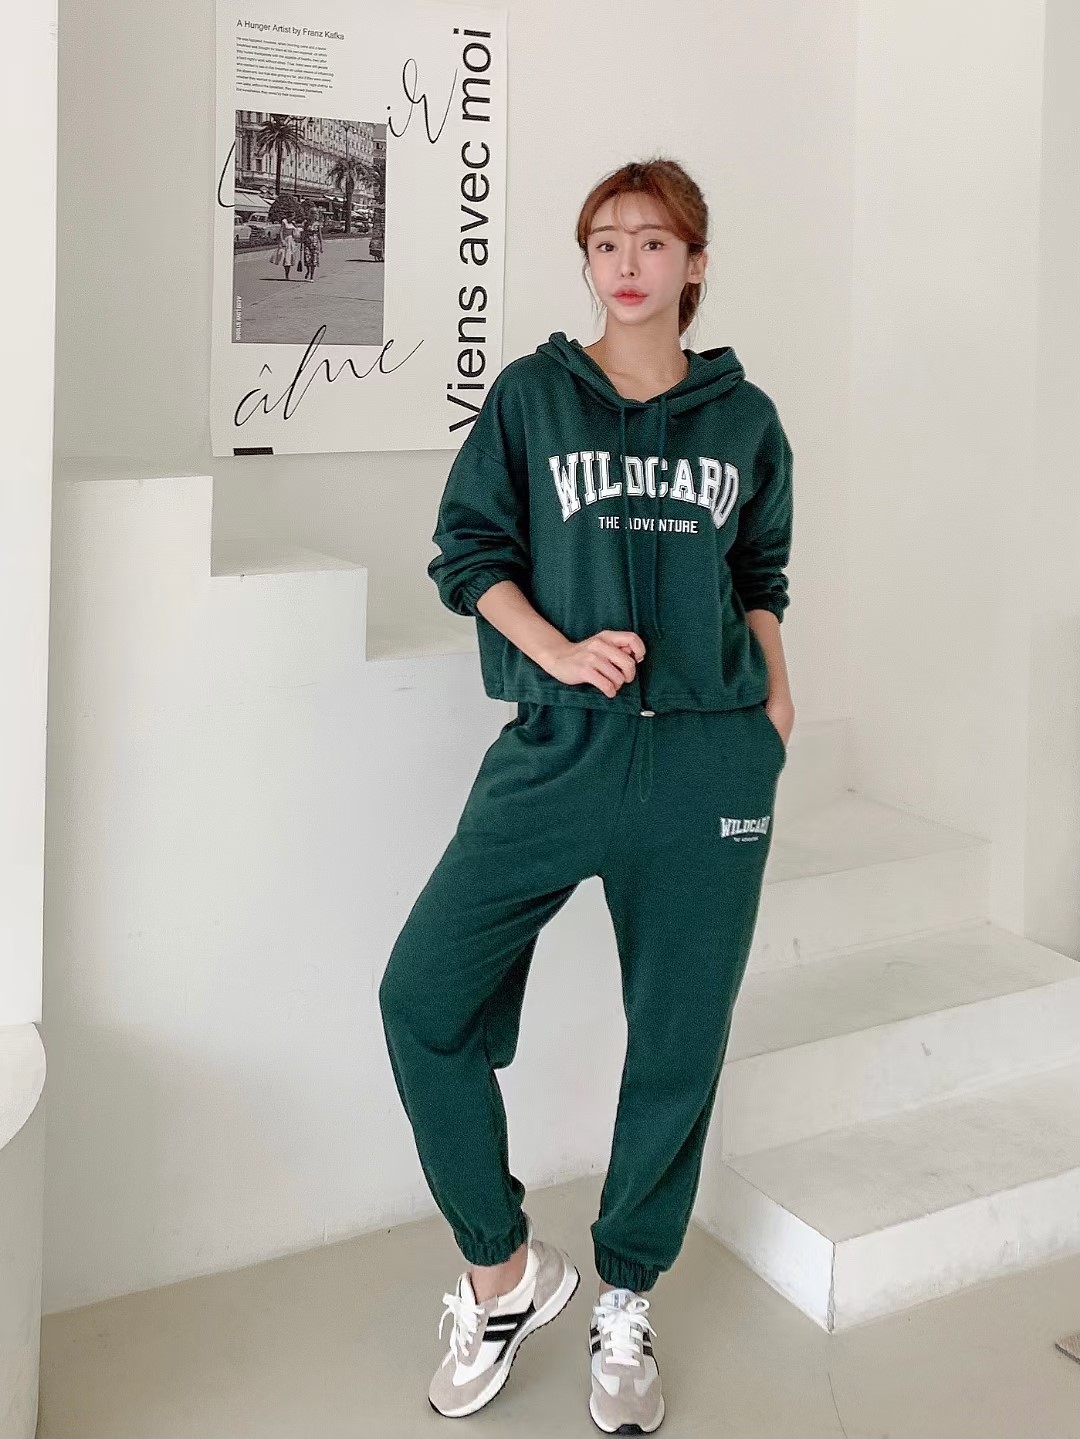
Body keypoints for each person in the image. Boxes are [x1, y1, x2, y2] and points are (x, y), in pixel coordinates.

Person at [378, 157, 795, 1433]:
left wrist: (776, 709)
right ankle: (502, 1270)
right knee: (423, 997)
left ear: (694, 264)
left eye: (653, 241)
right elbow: (467, 552)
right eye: (605, 240)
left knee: (676, 1039)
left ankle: (626, 1297)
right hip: (559, 750)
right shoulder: (532, 397)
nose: (626, 261)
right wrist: (556, 652)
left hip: (710, 762)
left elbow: (762, 572)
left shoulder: (745, 419)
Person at [299, 212, 323, 280]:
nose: (314, 215)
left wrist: (321, 245)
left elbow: (319, 234)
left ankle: (312, 276)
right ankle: (308, 270)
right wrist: (301, 243)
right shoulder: (306, 223)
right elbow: (303, 233)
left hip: (315, 243)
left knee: (314, 260)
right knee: (307, 259)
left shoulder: (317, 224)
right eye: (312, 213)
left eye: (315, 214)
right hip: (307, 243)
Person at [276, 215, 298, 280]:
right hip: (285, 240)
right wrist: (282, 240)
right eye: (291, 216)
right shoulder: (284, 221)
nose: (292, 218)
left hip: (291, 241)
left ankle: (288, 273)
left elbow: (296, 232)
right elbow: (281, 231)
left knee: (290, 257)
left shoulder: (293, 222)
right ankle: (286, 274)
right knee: (285, 257)